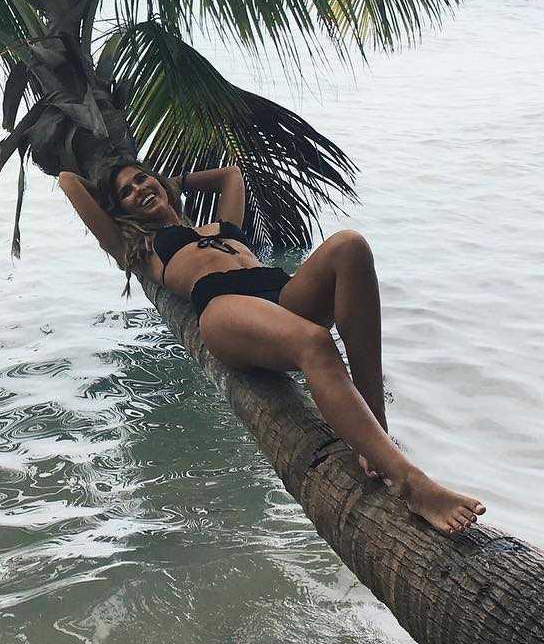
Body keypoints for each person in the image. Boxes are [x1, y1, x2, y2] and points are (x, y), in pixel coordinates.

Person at [58, 161, 486, 536]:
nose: (138, 190)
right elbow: (67, 181)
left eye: (141, 180)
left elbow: (231, 176)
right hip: (224, 307)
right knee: (315, 342)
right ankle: (412, 483)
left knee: (350, 245)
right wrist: (106, 176)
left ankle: (375, 431)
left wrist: (171, 182)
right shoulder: (142, 248)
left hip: (279, 293)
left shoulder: (217, 225)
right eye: (127, 193)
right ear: (123, 211)